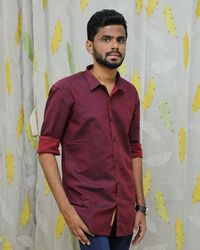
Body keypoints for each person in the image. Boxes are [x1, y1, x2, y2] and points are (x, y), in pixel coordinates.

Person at [37, 9, 147, 250]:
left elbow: (134, 150)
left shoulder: (130, 93)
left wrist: (140, 206)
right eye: (106, 39)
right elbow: (46, 148)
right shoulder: (66, 91)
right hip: (87, 212)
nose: (114, 46)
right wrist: (67, 211)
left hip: (125, 211)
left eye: (120, 40)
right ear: (89, 45)